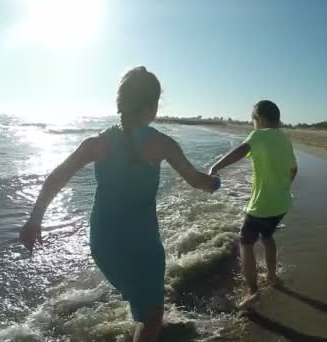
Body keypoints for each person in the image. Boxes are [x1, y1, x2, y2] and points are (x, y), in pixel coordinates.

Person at [19, 66, 219, 342]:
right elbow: (196, 180)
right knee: (152, 317)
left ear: (121, 102)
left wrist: (34, 220)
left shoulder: (98, 143)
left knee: (142, 306)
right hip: (142, 243)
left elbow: (56, 177)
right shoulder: (162, 144)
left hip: (104, 243)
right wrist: (214, 182)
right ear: (152, 106)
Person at [209, 100, 297, 308]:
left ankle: (252, 291)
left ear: (261, 119)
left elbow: (239, 152)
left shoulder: (258, 135)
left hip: (262, 206)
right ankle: (272, 276)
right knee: (267, 236)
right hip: (281, 204)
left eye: (252, 120)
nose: (252, 124)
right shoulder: (285, 139)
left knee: (245, 243)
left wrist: (215, 166)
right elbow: (293, 169)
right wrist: (282, 188)